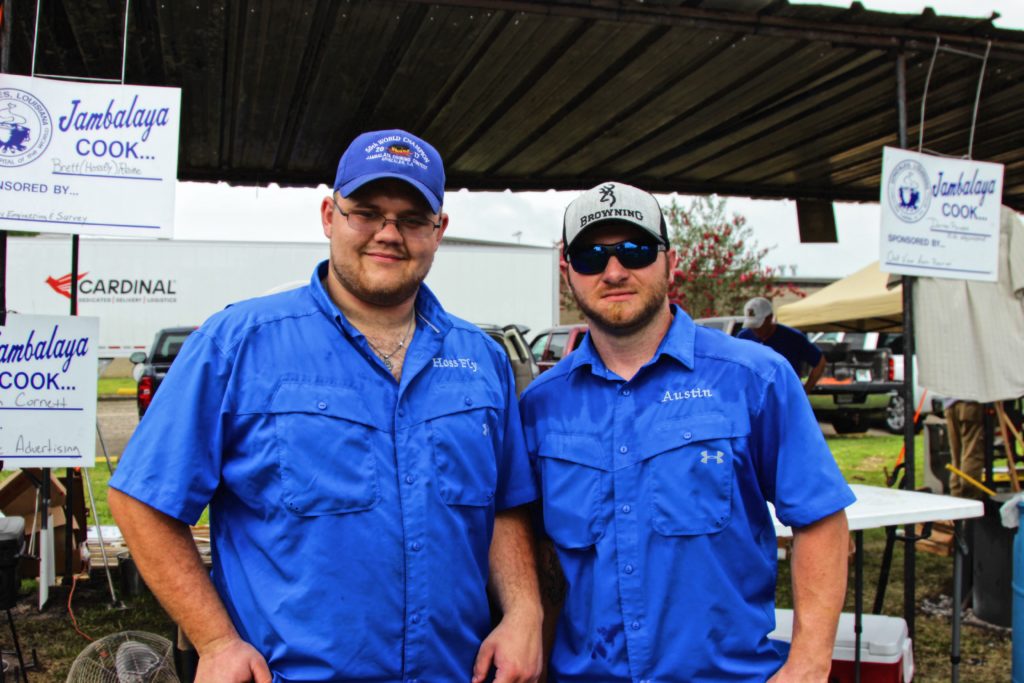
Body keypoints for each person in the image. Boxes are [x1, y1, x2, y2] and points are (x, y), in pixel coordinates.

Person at [109, 129, 543, 683]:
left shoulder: (481, 360)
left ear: (439, 232)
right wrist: (216, 642)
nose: (389, 234)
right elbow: (141, 499)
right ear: (328, 215)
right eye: (366, 212)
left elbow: (503, 503)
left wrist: (524, 611)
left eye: (412, 218)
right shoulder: (238, 343)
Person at [520, 181, 854, 682]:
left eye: (634, 250)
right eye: (592, 256)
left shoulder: (754, 379)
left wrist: (808, 662)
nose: (614, 271)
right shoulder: (542, 405)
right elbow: (537, 553)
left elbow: (822, 521)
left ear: (669, 261)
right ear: (568, 273)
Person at [738, 296, 827, 393]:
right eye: (751, 325)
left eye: (758, 325)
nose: (755, 330)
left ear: (770, 318)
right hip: (754, 395)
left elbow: (820, 362)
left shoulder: (793, 337)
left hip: (785, 394)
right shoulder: (744, 337)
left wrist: (805, 391)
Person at [944, 399, 987, 499]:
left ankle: (956, 495)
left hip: (950, 403)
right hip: (970, 403)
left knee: (956, 457)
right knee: (971, 455)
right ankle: (970, 498)